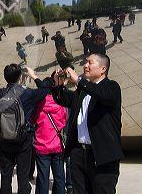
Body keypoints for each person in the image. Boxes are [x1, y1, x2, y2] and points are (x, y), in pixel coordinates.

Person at [51, 54, 124, 194]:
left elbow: (103, 96)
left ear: (103, 69)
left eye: (90, 63)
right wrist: (58, 85)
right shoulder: (83, 91)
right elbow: (64, 100)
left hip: (102, 155)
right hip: (79, 154)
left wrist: (79, 80)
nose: (85, 66)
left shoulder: (112, 87)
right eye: (85, 62)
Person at [0, 64, 48, 194]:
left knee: (6, 175)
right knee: (23, 176)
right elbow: (45, 90)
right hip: (24, 139)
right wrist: (33, 76)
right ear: (19, 77)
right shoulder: (27, 93)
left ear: (5, 78)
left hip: (4, 139)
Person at [32, 74, 67, 194]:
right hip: (57, 145)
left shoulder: (39, 105)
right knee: (59, 178)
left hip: (42, 145)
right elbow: (63, 122)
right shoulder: (60, 103)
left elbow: (33, 120)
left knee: (42, 178)